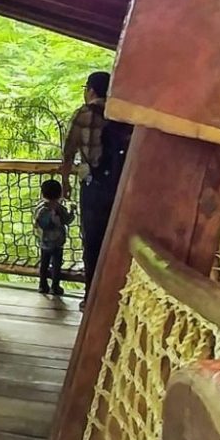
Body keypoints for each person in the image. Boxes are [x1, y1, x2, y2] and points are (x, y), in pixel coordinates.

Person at [62, 70, 132, 295]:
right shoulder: (123, 113)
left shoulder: (83, 113)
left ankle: (92, 295)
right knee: (120, 240)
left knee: (92, 241)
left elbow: (68, 153)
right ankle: (118, 293)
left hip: (93, 186)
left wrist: (65, 183)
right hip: (122, 187)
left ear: (90, 90)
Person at [33, 177, 72, 298]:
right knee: (56, 264)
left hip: (44, 242)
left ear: (42, 193)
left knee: (44, 264)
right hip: (58, 242)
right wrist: (72, 211)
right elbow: (67, 220)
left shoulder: (40, 209)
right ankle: (55, 286)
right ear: (60, 194)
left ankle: (42, 284)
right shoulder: (60, 208)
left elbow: (39, 223)